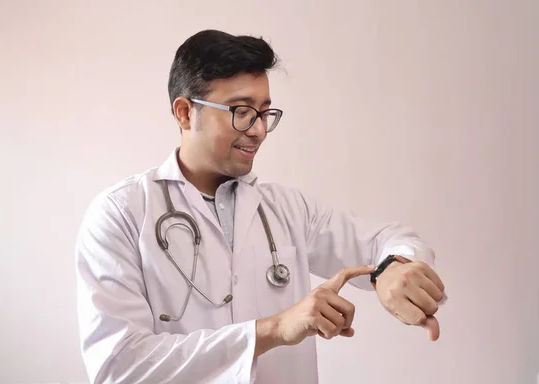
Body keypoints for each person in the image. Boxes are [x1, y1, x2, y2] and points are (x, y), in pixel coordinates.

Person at [75, 29, 446, 384]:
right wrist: (273, 329)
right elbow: (118, 367)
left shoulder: (287, 209)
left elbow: (386, 239)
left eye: (265, 112)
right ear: (185, 112)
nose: (257, 130)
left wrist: (393, 267)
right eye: (241, 111)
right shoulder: (121, 214)